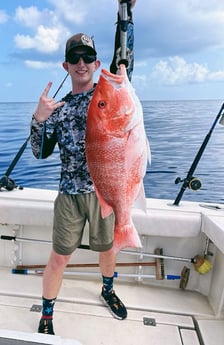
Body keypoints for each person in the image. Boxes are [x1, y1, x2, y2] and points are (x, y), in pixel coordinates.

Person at [30, 0, 136, 335]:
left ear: (96, 63)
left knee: (107, 248)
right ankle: (47, 313)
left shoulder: (108, 94)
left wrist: (125, 13)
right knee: (59, 256)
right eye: (74, 58)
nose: (81, 63)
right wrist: (38, 119)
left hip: (104, 191)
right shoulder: (57, 109)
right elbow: (39, 153)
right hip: (69, 196)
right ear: (65, 64)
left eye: (87, 57)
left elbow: (125, 58)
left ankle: (107, 288)